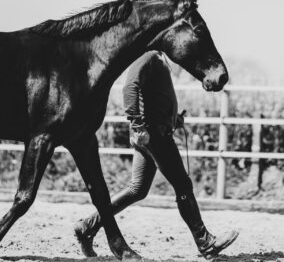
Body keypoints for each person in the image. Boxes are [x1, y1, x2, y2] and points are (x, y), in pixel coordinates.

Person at [74, 51, 238, 259]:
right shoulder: (148, 56)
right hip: (154, 135)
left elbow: (153, 95)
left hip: (155, 132)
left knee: (137, 189)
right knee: (182, 184)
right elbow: (130, 86)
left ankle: (87, 226)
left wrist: (173, 118)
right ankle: (205, 242)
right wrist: (137, 124)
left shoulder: (158, 58)